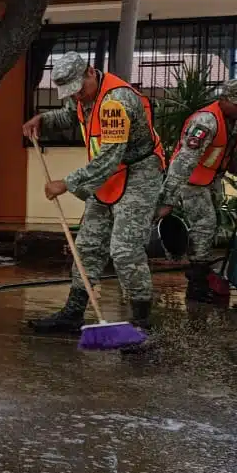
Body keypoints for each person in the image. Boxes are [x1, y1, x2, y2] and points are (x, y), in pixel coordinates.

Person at [21, 52, 165, 331]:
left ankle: (142, 322)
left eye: (78, 90)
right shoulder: (86, 96)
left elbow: (109, 157)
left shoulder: (116, 102)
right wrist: (43, 119)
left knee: (124, 250)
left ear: (90, 72)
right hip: (106, 176)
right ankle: (73, 313)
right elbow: (70, 115)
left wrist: (66, 183)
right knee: (87, 246)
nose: (77, 97)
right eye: (71, 93)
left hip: (138, 173)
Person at [157, 79, 237, 303]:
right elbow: (182, 162)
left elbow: (235, 149)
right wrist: (168, 199)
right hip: (191, 181)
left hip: (211, 180)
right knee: (205, 226)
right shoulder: (205, 121)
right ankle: (197, 285)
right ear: (223, 100)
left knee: (209, 228)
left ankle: (200, 277)